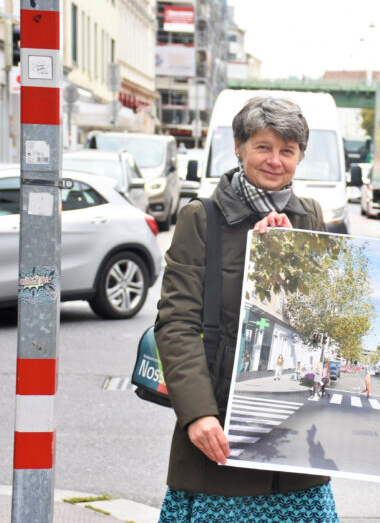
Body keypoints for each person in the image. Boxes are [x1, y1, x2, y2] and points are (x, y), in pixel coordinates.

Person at [154, 96, 338, 522]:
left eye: (287, 150)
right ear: (238, 147)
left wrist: (293, 254)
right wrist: (198, 414)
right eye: (263, 147)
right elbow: (176, 324)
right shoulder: (202, 217)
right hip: (220, 431)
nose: (275, 160)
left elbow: (319, 320)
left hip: (294, 441)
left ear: (300, 157)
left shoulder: (309, 215)